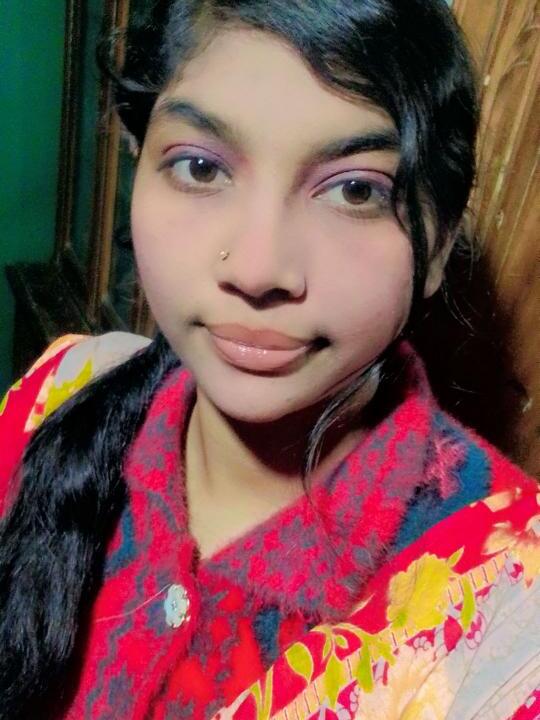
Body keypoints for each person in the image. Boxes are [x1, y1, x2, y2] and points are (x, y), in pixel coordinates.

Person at [0, 1, 538, 718]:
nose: (257, 270)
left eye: (355, 190)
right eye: (200, 168)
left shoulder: (508, 609)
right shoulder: (62, 389)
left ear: (438, 244)